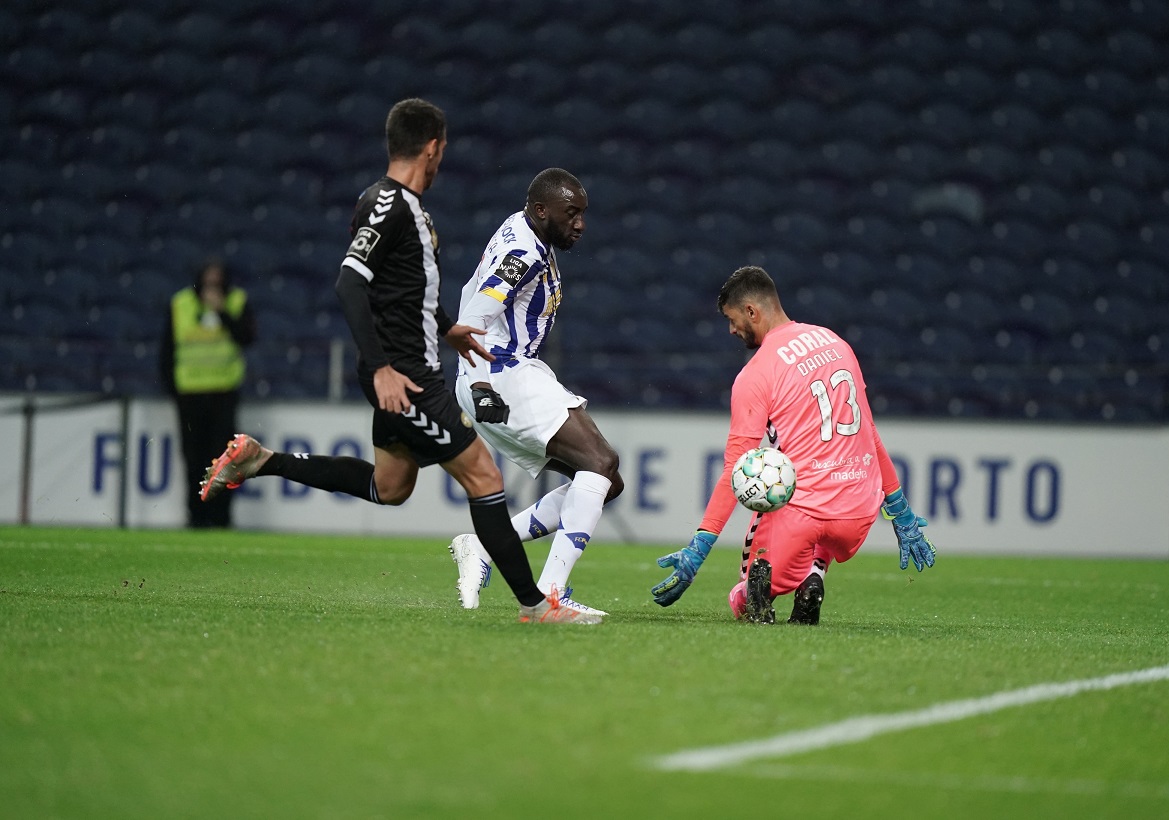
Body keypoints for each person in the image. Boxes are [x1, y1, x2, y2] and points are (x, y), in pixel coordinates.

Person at [198, 98, 598, 625]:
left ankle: (263, 461)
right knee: (483, 476)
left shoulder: (403, 207)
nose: (442, 159)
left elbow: (405, 291)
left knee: (389, 487)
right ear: (432, 148)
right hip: (405, 376)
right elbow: (350, 283)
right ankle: (536, 604)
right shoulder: (391, 206)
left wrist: (448, 327)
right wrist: (381, 366)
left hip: (411, 367)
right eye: (443, 150)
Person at [650, 266, 936, 624]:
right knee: (823, 525)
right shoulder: (836, 343)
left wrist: (699, 548)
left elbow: (734, 468)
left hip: (801, 515)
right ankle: (814, 573)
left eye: (732, 319)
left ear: (752, 311)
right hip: (858, 514)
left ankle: (758, 590)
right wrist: (900, 511)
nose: (732, 330)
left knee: (744, 598)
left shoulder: (755, 374)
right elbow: (869, 434)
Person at [446, 168, 623, 616]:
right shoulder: (523, 253)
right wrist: (482, 385)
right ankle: (550, 594)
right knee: (601, 463)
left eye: (582, 213)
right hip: (501, 375)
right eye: (571, 213)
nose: (580, 224)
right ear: (541, 210)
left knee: (605, 481)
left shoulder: (524, 230)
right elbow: (473, 318)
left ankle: (484, 545)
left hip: (503, 374)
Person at [159, 257, 255, 529]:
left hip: (223, 393)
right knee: (193, 458)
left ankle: (221, 518)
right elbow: (167, 350)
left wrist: (222, 312)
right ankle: (196, 516)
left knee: (225, 459)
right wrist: (173, 390)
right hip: (189, 395)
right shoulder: (180, 304)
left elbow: (246, 337)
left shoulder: (237, 301)